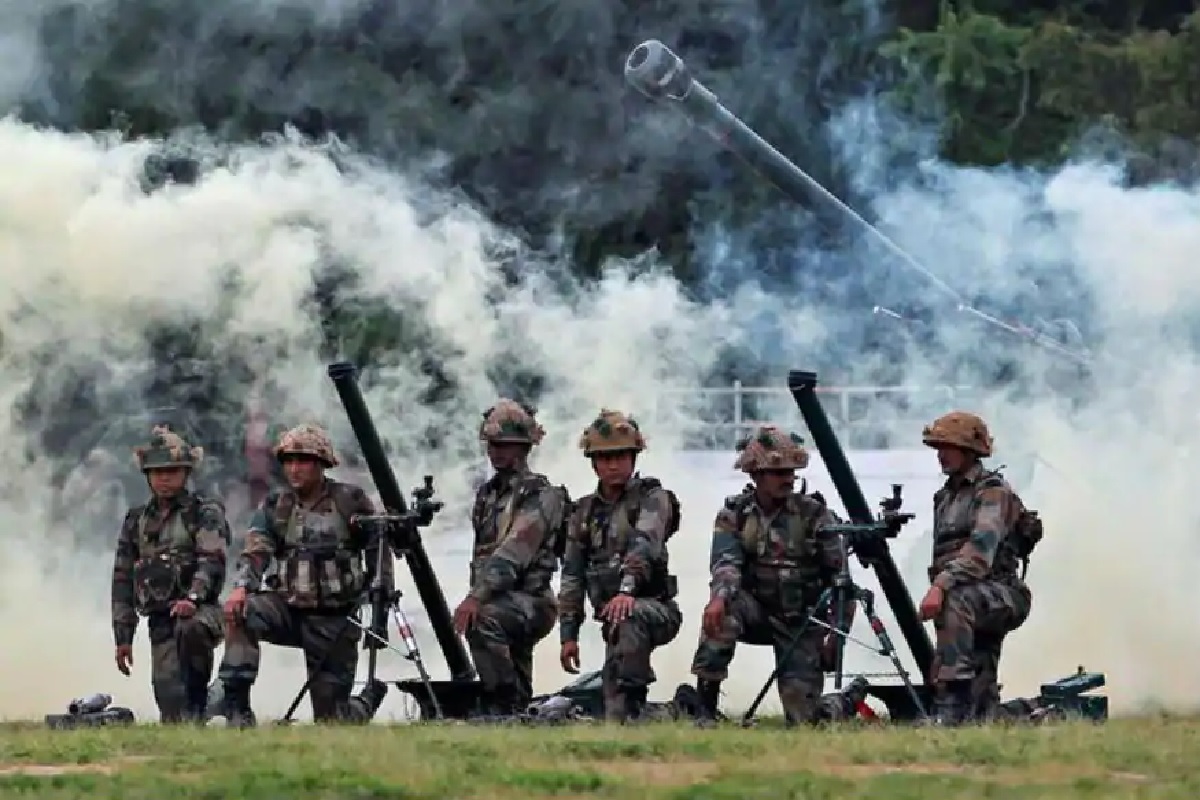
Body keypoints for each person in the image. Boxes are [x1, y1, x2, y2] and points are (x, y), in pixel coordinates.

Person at [217, 423, 392, 726]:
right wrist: (242, 587)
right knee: (243, 612)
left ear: (322, 463)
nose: (295, 469)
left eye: (304, 461)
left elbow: (379, 555)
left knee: (332, 722)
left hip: (334, 619)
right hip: (287, 609)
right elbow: (257, 549)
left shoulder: (349, 500)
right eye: (289, 461)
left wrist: (380, 617)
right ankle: (236, 706)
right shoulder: (277, 505)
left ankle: (366, 700)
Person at [690, 425, 848, 726]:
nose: (787, 479)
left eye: (790, 472)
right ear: (756, 475)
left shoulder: (814, 514)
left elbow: (841, 581)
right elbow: (726, 564)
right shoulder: (735, 514)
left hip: (802, 620)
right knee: (722, 612)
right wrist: (719, 599)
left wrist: (836, 636)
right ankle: (704, 710)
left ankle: (845, 700)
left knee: (804, 721)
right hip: (756, 612)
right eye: (777, 473)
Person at [557, 409, 682, 722]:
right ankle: (659, 714)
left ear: (633, 458)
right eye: (605, 457)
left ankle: (635, 707)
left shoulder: (652, 497)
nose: (613, 465)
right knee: (611, 711)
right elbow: (572, 575)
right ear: (593, 463)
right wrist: (568, 635)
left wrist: (627, 589)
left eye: (621, 456)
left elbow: (645, 544)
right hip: (612, 618)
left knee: (628, 618)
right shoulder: (583, 513)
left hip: (655, 608)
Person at [918, 411, 1036, 724]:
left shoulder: (993, 492)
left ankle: (951, 707)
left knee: (955, 599)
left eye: (948, 447)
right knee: (982, 712)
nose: (941, 454)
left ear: (970, 451)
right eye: (938, 447)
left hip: (1001, 593)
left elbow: (980, 553)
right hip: (973, 595)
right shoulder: (944, 497)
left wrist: (940, 586)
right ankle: (1035, 712)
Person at [111, 425, 230, 723]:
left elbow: (212, 561)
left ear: (186, 472)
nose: (164, 478)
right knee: (172, 709)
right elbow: (123, 578)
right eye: (157, 472)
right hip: (161, 619)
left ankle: (208, 699)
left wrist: (193, 598)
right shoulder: (137, 520)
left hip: (201, 613)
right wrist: (123, 637)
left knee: (190, 631)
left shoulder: (204, 512)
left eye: (172, 471)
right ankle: (213, 702)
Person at [454, 400, 566, 715]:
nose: (496, 452)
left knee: (482, 620)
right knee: (514, 666)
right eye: (492, 445)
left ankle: (503, 709)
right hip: (501, 599)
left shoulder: (542, 494)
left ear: (524, 447)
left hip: (532, 600)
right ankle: (520, 713)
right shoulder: (487, 495)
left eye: (505, 445)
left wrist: (475, 598)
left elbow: (514, 552)